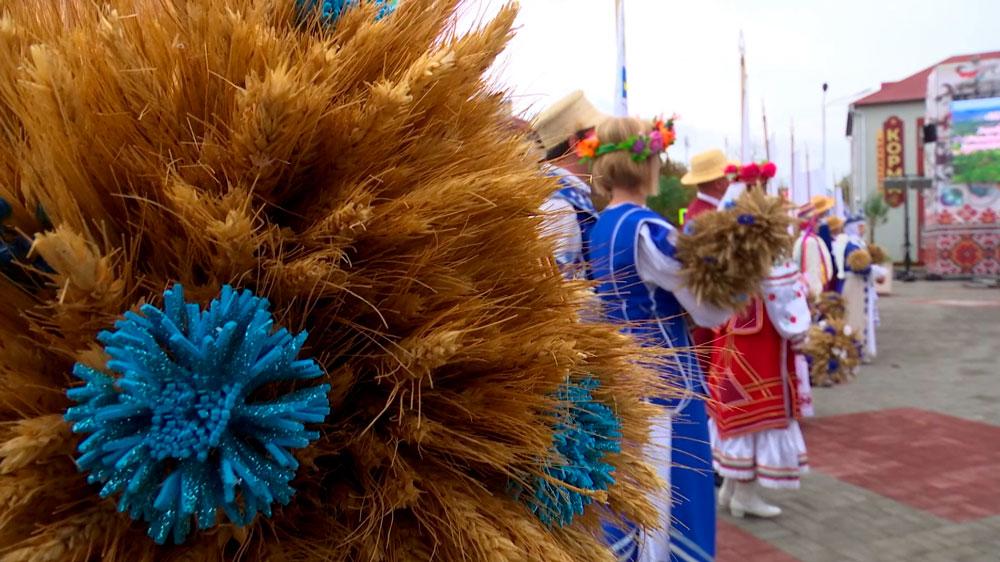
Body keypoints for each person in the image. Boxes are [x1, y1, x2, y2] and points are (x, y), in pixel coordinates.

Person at [588, 117, 729, 562]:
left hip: (622, 381)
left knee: (635, 499)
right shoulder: (649, 229)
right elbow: (708, 307)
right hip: (670, 384)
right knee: (669, 506)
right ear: (651, 163)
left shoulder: (602, 225)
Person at [709, 182, 812, 519]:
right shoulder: (771, 263)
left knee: (735, 417)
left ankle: (731, 489)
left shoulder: (730, 257)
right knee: (759, 419)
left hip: (731, 350)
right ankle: (745, 495)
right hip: (760, 352)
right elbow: (791, 315)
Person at [532, 91, 609, 275]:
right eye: (597, 136)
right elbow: (556, 295)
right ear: (575, 143)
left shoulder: (562, 198)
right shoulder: (559, 207)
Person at [679, 149, 736, 380]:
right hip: (710, 313)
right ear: (719, 182)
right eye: (727, 177)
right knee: (709, 374)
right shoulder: (709, 216)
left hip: (706, 310)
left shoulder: (700, 211)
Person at [833, 213, 887, 362]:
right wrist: (875, 271)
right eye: (860, 226)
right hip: (854, 285)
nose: (863, 229)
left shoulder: (858, 243)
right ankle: (854, 349)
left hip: (860, 284)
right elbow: (857, 266)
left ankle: (859, 348)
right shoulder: (851, 245)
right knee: (855, 316)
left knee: (860, 316)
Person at [793, 196, 835, 298]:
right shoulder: (810, 242)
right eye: (816, 221)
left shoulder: (802, 240)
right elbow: (812, 271)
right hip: (814, 294)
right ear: (810, 222)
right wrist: (816, 295)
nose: (818, 224)